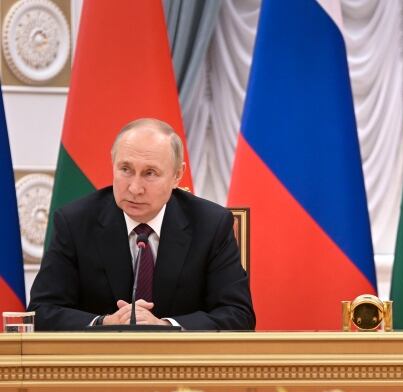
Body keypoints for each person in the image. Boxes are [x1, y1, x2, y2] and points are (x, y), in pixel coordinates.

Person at [29, 118, 255, 331]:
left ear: (177, 175)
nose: (135, 188)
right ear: (112, 164)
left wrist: (166, 327)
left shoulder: (211, 224)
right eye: (125, 169)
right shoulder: (75, 222)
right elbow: (41, 311)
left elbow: (238, 315)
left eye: (150, 173)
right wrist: (104, 324)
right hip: (98, 366)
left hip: (182, 366)